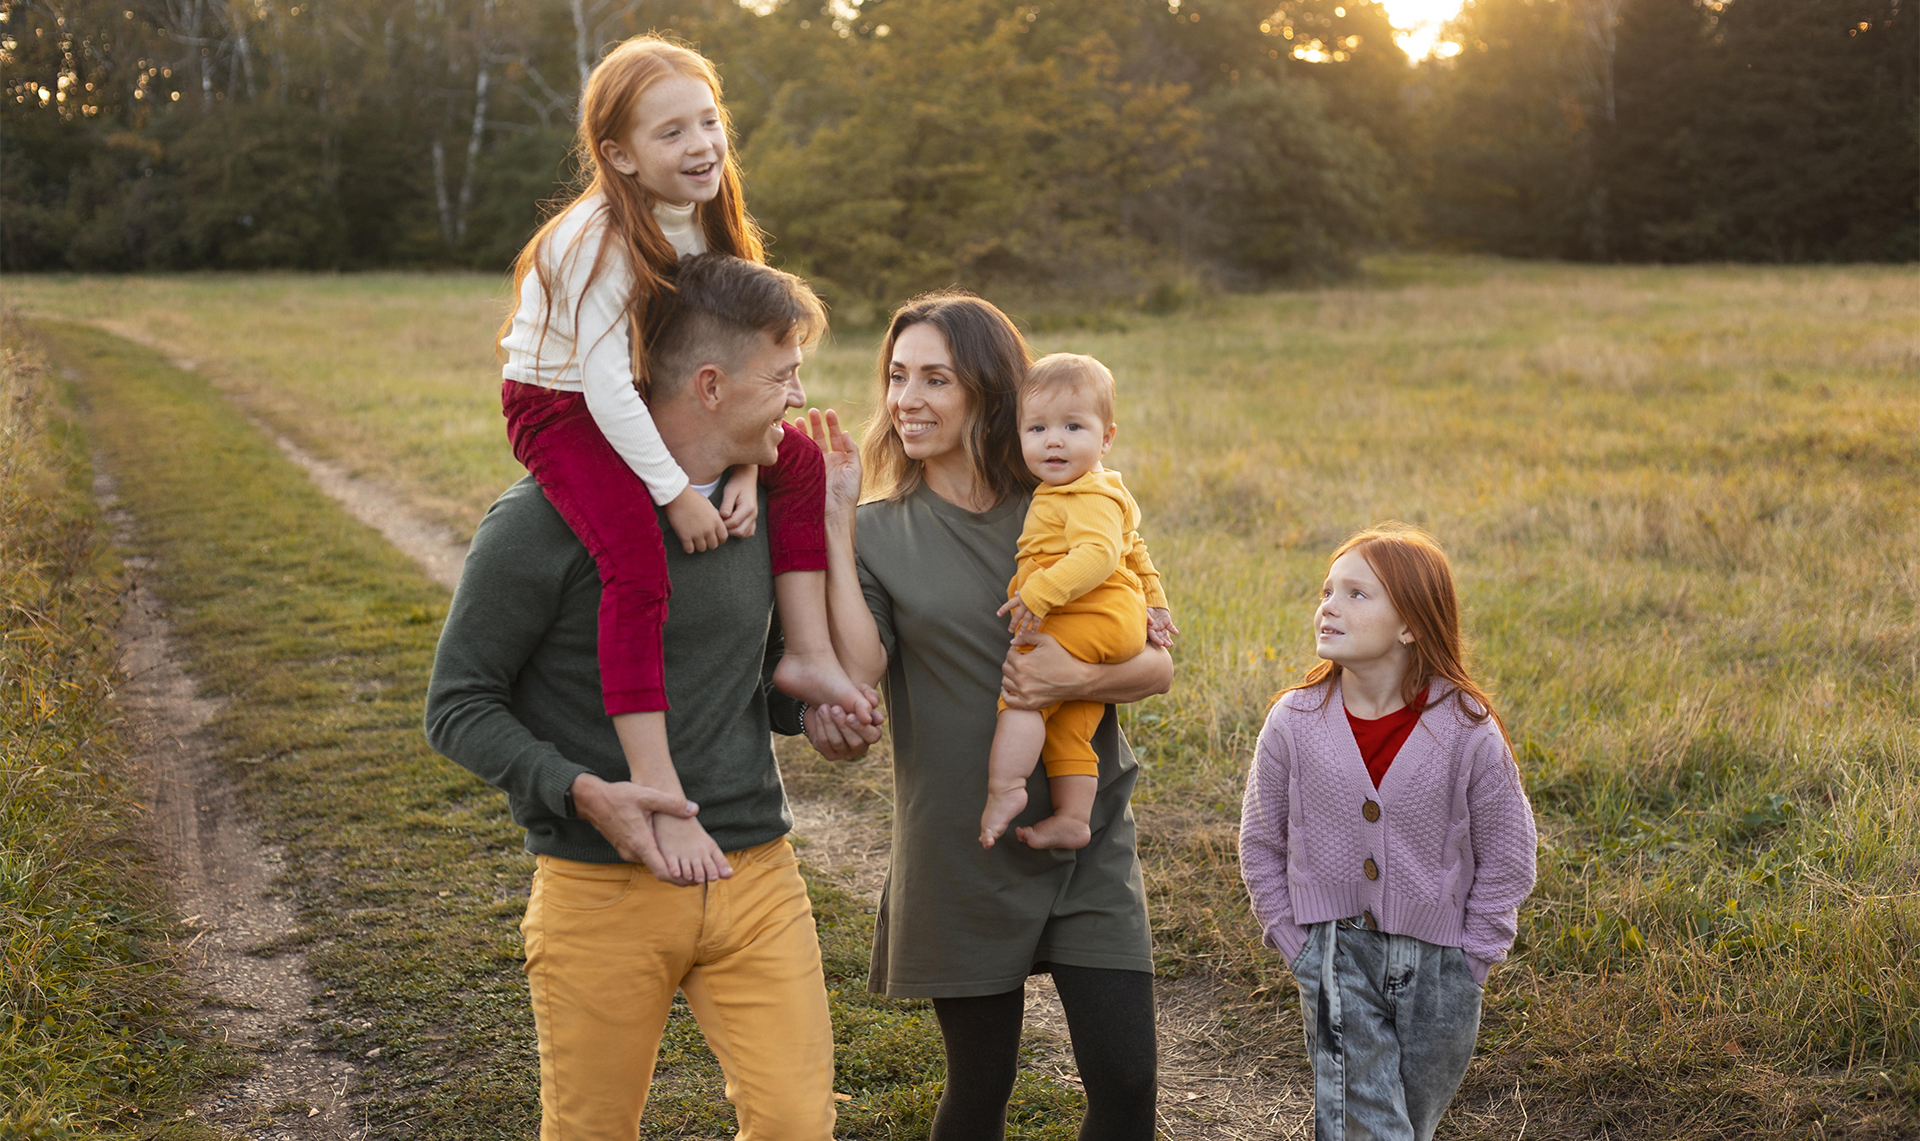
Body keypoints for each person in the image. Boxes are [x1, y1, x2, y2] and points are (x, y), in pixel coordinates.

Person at [427, 254, 881, 1138]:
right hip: (600, 888)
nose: (798, 398)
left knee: (798, 1124)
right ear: (710, 385)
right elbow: (458, 704)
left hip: (755, 871)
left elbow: (755, 673)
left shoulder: (758, 504)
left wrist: (810, 715)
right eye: (783, 377)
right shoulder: (539, 523)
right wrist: (584, 792)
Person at [808, 294, 1170, 1140]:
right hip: (961, 841)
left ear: (987, 391)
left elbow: (1156, 666)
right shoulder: (879, 531)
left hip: (1087, 825)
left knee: (1126, 1083)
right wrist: (835, 523)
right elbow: (861, 668)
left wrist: (1070, 674)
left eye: (936, 377)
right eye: (897, 376)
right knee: (982, 1087)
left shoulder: (1064, 502)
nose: (908, 398)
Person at [494, 35, 874, 840]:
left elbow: (737, 349)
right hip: (558, 406)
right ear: (618, 155)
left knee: (799, 461)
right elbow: (601, 386)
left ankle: (804, 652)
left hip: (641, 389)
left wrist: (746, 461)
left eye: (708, 121)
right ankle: (654, 772)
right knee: (635, 560)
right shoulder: (592, 239)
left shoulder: (707, 211)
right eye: (671, 133)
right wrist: (675, 494)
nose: (701, 145)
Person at [1238, 525, 1537, 1141]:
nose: (1328, 604)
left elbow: (1509, 855)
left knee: (1409, 1123)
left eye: (1356, 594)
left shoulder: (1466, 730)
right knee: (1366, 1129)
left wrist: (1472, 960)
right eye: (1327, 589)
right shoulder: (1294, 721)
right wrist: (1296, 944)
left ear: (1411, 626)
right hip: (1333, 951)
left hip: (1441, 968)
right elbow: (1260, 842)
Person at [980, 353, 1175, 851]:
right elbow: (1136, 550)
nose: (1054, 440)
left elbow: (1101, 553)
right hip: (1112, 619)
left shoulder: (1085, 493)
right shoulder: (1102, 489)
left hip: (1089, 613)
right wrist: (1155, 604)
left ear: (1106, 438)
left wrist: (1040, 593)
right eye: (1037, 428)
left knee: (1025, 689)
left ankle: (1005, 788)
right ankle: (1072, 818)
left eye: (1072, 426)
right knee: (1067, 725)